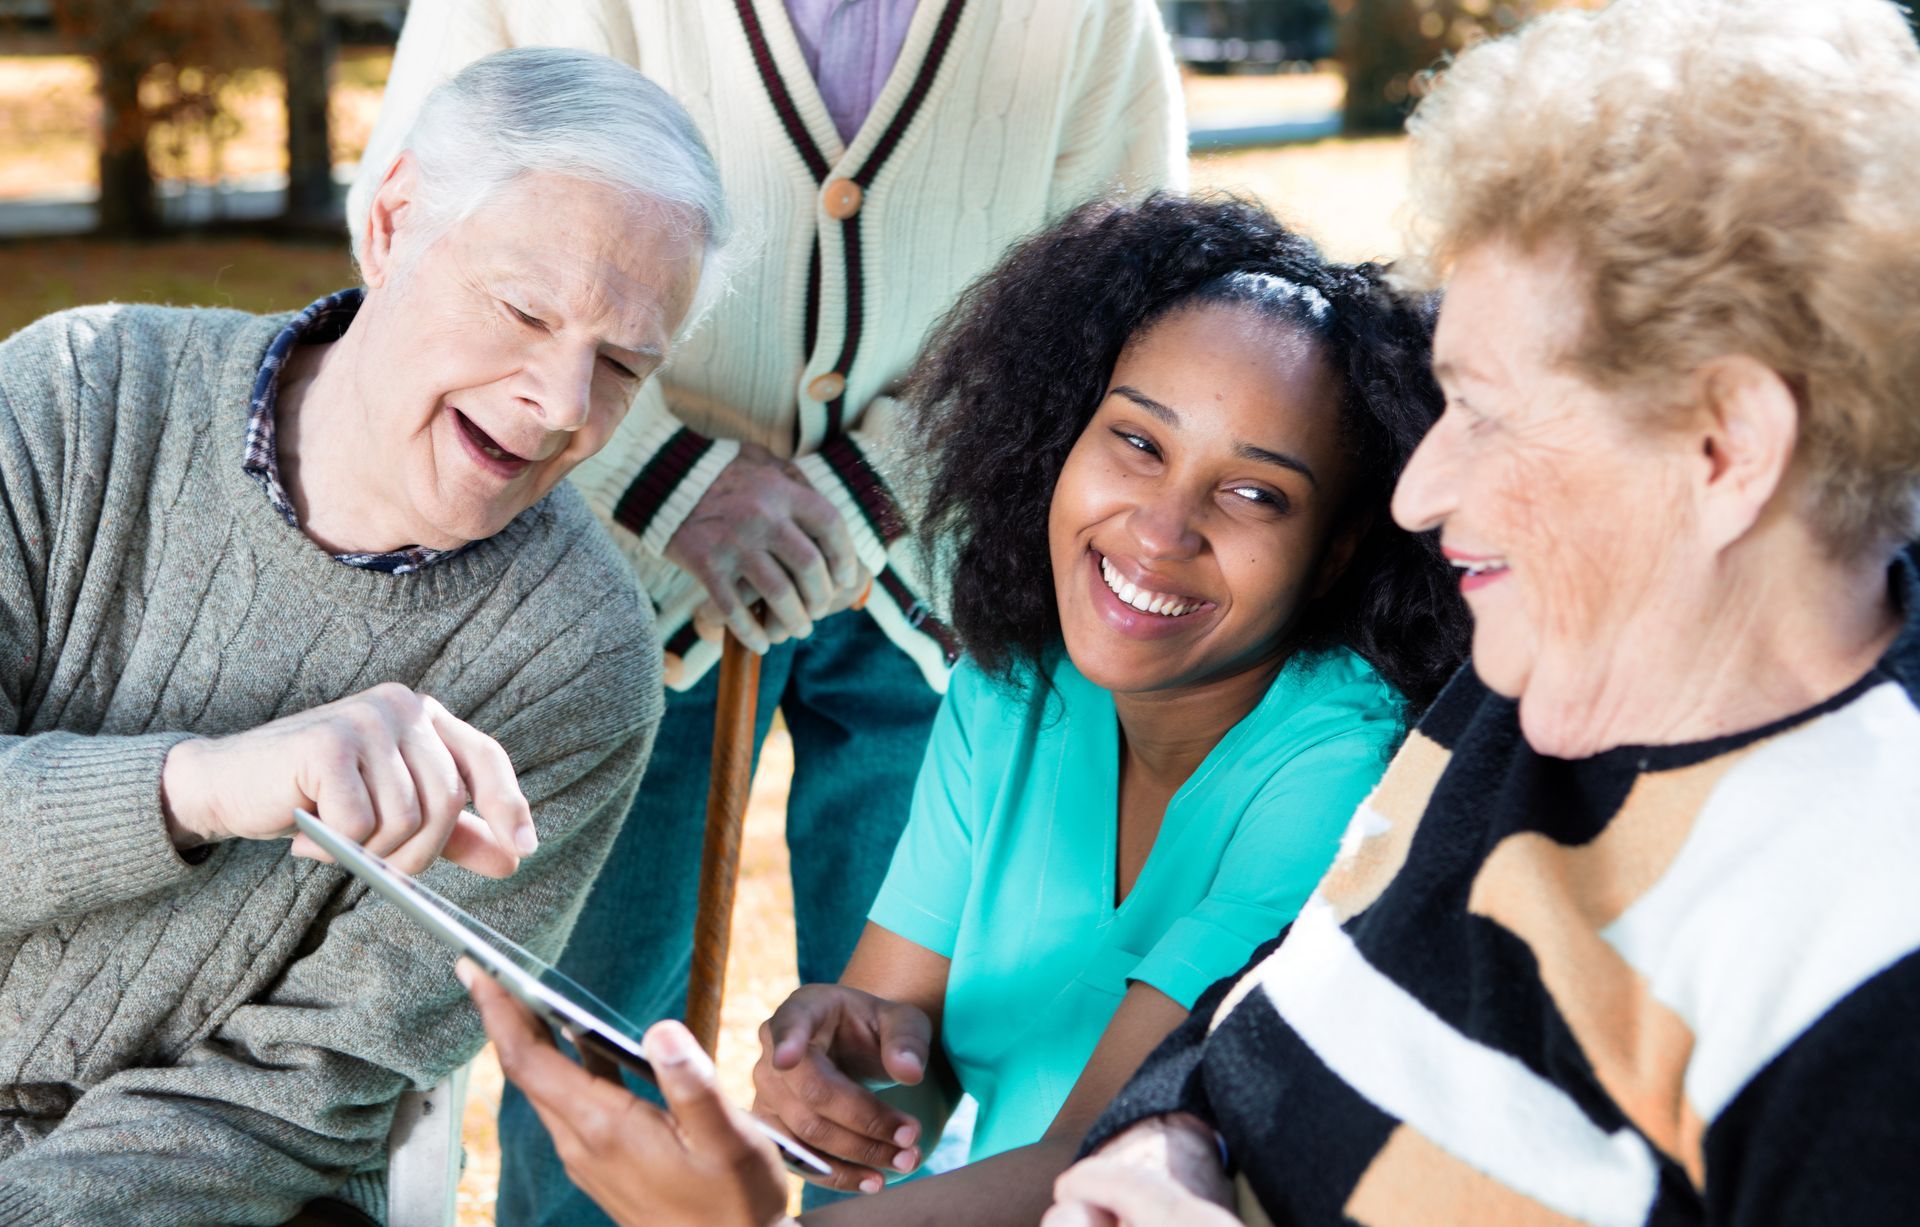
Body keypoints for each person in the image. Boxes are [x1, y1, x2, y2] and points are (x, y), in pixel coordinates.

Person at [1042, 1, 1920, 1224]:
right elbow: (1289, 987)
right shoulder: (1525, 673)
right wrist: (1162, 1142)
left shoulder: (1872, 976)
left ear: (1727, 448)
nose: (1419, 489)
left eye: (1487, 413)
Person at [462, 194, 1472, 1227]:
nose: (1162, 529)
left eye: (1254, 494)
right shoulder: (1018, 682)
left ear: (1341, 547)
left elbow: (1106, 1161)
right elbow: (907, 1042)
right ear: (1060, 435)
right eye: (1135, 442)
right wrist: (845, 1073)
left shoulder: (1350, 769)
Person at [347, 5, 1187, 1222]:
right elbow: (414, 213)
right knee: (599, 1078)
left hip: (940, 592)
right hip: (612, 583)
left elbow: (1124, 278)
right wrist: (669, 479)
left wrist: (870, 489)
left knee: (904, 1084)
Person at [0, 47, 727, 1226]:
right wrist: (204, 785)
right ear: (392, 225)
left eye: (623, 365)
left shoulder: (579, 661)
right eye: (525, 310)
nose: (560, 403)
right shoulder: (78, 396)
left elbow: (298, 1095)